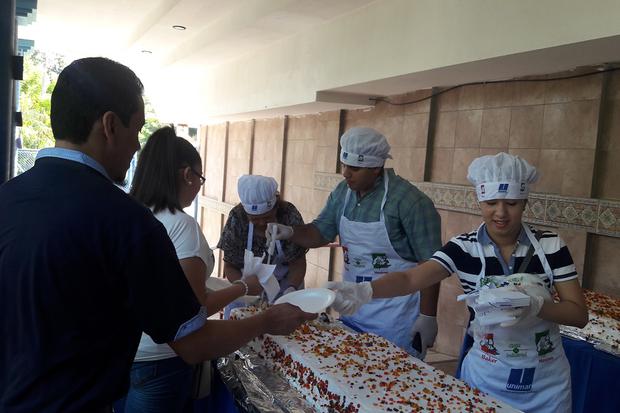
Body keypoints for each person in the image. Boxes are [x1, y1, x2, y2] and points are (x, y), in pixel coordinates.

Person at [0, 57, 315, 413]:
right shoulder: (125, 221)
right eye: (135, 131)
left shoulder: (8, 198)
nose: (136, 147)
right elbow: (193, 343)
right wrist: (268, 320)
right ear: (109, 125)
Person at [326, 152, 588, 413]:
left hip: (545, 386)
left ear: (524, 202)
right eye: (491, 202)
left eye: (511, 203)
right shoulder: (464, 248)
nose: (501, 213)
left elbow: (578, 314)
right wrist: (365, 290)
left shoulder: (550, 245)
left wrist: (536, 306)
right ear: (479, 201)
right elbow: (410, 278)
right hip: (486, 379)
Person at [266, 127, 442, 358]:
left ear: (376, 168)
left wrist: (427, 316)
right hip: (353, 308)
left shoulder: (410, 202)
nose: (346, 174)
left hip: (395, 318)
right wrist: (289, 232)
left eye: (355, 168)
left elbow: (432, 264)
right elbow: (320, 233)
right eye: (344, 165)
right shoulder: (343, 193)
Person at [123, 126, 264, 412]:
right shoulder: (182, 225)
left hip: (125, 353)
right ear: (187, 174)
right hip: (161, 360)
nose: (200, 186)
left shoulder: (132, 213)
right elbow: (192, 312)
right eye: (200, 178)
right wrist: (244, 287)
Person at [217, 175, 307, 318]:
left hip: (284, 289)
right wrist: (244, 288)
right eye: (254, 219)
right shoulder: (237, 218)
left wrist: (291, 289)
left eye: (267, 217)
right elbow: (229, 266)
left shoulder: (289, 215)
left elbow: (298, 263)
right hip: (246, 293)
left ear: (276, 206)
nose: (261, 223)